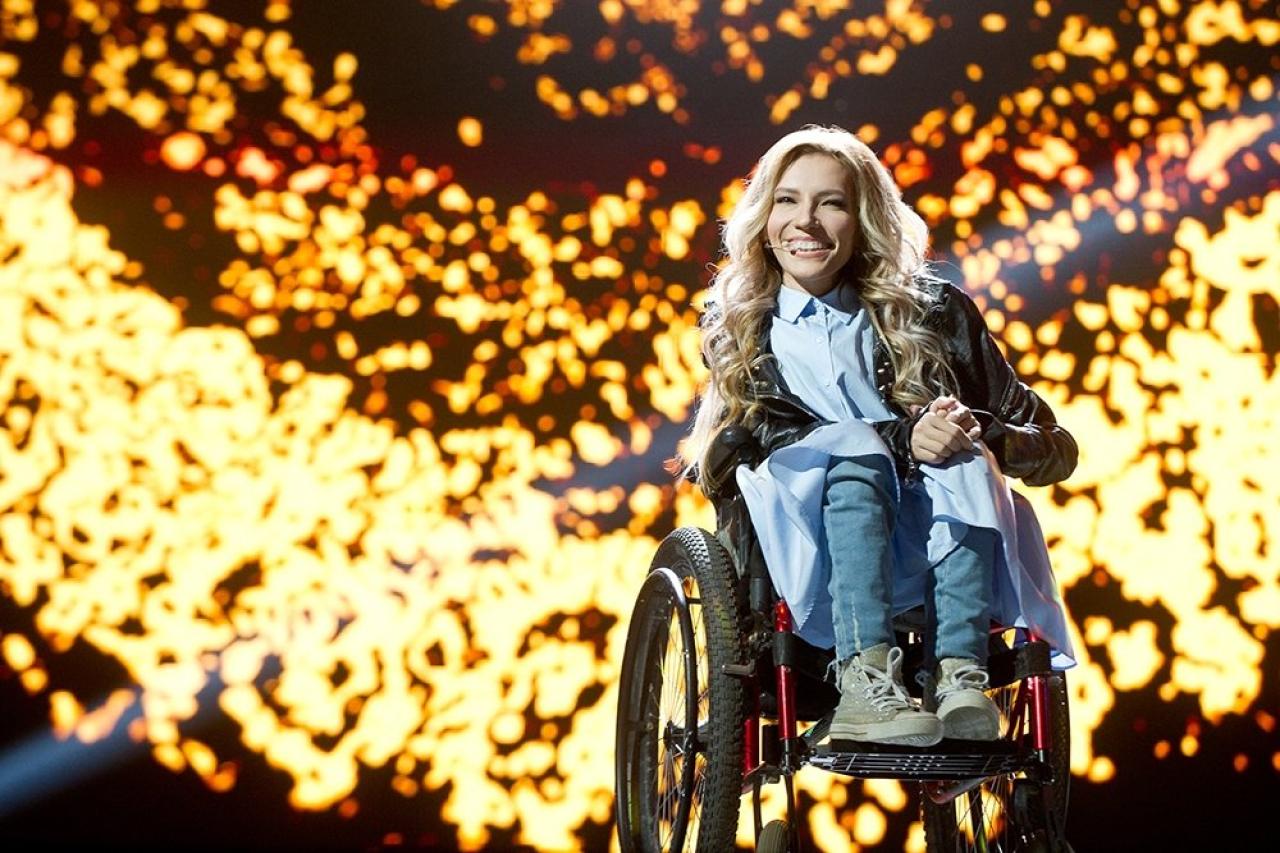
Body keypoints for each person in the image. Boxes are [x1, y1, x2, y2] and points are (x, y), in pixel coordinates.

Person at [683, 125, 1078, 747]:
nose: (805, 222)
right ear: (764, 217)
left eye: (831, 203)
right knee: (856, 453)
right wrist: (902, 438)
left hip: (920, 534)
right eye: (787, 200)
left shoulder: (934, 312)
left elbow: (1054, 445)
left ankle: (958, 677)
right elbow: (764, 436)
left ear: (862, 219)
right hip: (799, 541)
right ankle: (864, 679)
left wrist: (976, 432)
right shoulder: (740, 325)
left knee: (963, 455)